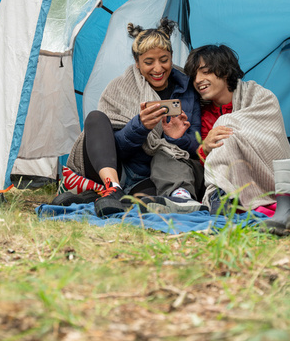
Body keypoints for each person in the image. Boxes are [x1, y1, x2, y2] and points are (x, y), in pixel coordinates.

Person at [64, 19, 203, 217]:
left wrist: (175, 138)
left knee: (145, 204)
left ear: (171, 57)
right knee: (95, 118)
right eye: (148, 62)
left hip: (152, 174)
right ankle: (112, 188)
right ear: (137, 64)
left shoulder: (188, 90)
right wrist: (140, 126)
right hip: (113, 167)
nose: (158, 69)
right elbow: (114, 146)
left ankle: (97, 197)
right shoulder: (119, 88)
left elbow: (195, 147)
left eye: (164, 59)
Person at [180, 44, 290, 213]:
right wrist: (205, 148)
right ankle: (221, 197)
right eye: (194, 75)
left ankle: (224, 197)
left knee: (225, 127)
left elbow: (273, 142)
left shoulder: (260, 97)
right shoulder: (200, 115)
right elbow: (209, 164)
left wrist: (229, 129)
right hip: (219, 180)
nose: (197, 80)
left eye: (205, 72)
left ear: (224, 71)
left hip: (262, 172)